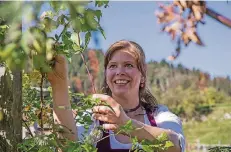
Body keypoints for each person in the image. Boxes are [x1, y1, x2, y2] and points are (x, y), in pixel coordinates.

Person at [48, 40, 185, 152]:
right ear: (106, 75)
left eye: (129, 65)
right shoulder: (92, 117)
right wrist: (58, 83)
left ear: (142, 76)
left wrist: (127, 125)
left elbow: (175, 145)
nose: (119, 71)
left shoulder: (158, 116)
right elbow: (68, 147)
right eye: (113, 66)